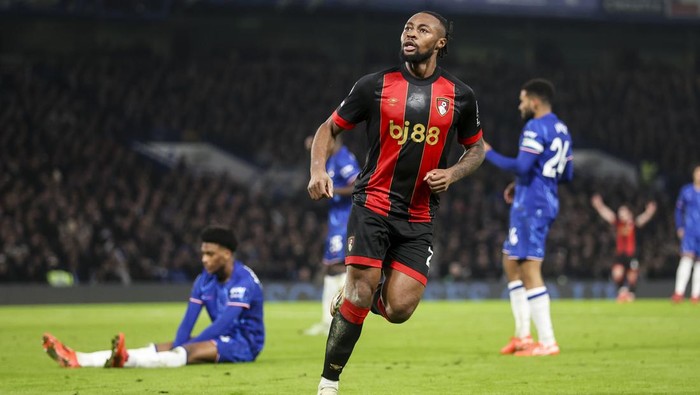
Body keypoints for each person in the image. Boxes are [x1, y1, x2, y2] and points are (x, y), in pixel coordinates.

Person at [307, 11, 484, 394]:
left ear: (440, 43)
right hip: (372, 204)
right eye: (407, 28)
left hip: (419, 214)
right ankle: (328, 383)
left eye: (422, 30)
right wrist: (318, 169)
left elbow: (476, 149)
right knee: (358, 293)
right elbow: (329, 127)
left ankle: (361, 291)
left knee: (400, 309)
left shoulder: (459, 96)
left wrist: (452, 174)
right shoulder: (375, 85)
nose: (411, 34)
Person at [42, 225, 265, 368]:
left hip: (244, 343)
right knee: (164, 347)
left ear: (226, 254)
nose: (204, 259)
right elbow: (188, 321)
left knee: (190, 350)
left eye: (210, 254)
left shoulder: (244, 282)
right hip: (221, 338)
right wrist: (180, 342)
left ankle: (126, 361)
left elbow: (223, 325)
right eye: (203, 253)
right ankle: (79, 359)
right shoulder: (203, 280)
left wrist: (186, 346)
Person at [483, 78, 573, 357]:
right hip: (537, 198)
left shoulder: (535, 127)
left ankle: (547, 341)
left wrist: (487, 153)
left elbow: (522, 165)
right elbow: (567, 175)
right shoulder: (562, 129)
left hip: (532, 205)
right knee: (511, 261)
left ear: (534, 102)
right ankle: (523, 335)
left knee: (530, 269)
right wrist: (521, 185)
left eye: (522, 100)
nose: (519, 105)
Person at [303, 135, 361, 336]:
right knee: (332, 266)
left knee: (336, 266)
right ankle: (332, 320)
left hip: (346, 221)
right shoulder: (332, 160)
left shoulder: (344, 158)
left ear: (334, 141)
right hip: (336, 220)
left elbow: (358, 185)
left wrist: (331, 188)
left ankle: (339, 320)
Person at [590, 194, 657, 302]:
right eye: (620, 212)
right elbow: (607, 214)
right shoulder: (618, 223)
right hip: (620, 254)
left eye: (623, 211)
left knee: (632, 277)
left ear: (629, 213)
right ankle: (621, 291)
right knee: (617, 274)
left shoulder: (634, 223)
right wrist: (599, 205)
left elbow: (643, 219)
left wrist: (649, 212)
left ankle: (630, 293)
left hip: (632, 254)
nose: (620, 214)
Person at [672, 164, 700, 304]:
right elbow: (678, 211)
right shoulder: (686, 191)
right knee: (686, 260)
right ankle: (679, 292)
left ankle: (696, 295)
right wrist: (680, 226)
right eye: (697, 172)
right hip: (690, 231)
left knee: (699, 264)